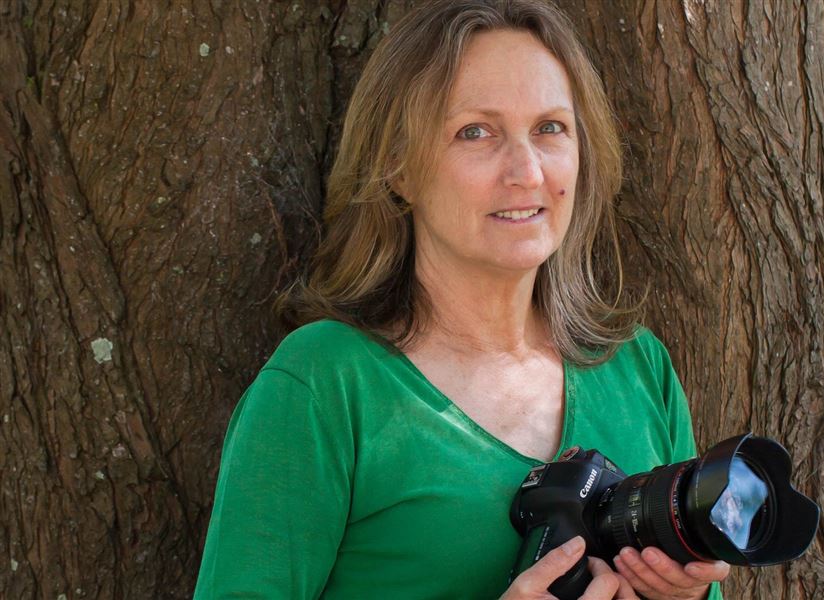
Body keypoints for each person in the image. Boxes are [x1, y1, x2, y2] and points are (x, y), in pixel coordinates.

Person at [193, 1, 729, 598]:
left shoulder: (637, 367)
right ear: (397, 166)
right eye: (476, 131)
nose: (526, 171)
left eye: (551, 127)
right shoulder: (324, 384)